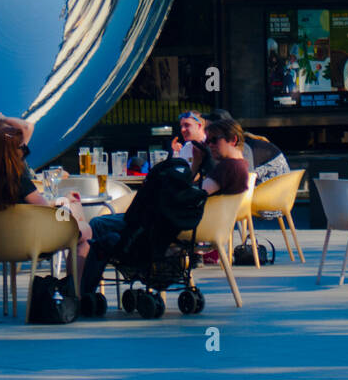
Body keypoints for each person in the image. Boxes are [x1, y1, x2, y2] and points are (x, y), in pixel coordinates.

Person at [79, 117, 250, 299]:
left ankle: (81, 291)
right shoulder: (240, 166)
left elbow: (193, 193)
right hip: (195, 223)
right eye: (208, 141)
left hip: (174, 224)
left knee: (98, 224)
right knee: (108, 224)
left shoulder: (228, 167)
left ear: (233, 140)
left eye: (215, 140)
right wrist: (196, 165)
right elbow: (192, 191)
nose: (210, 145)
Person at [0, 124, 90, 274]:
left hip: (0, 246)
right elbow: (47, 212)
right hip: (33, 245)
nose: (23, 152)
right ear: (13, 152)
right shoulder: (20, 182)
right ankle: (73, 291)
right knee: (85, 235)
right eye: (21, 148)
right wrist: (64, 203)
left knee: (76, 220)